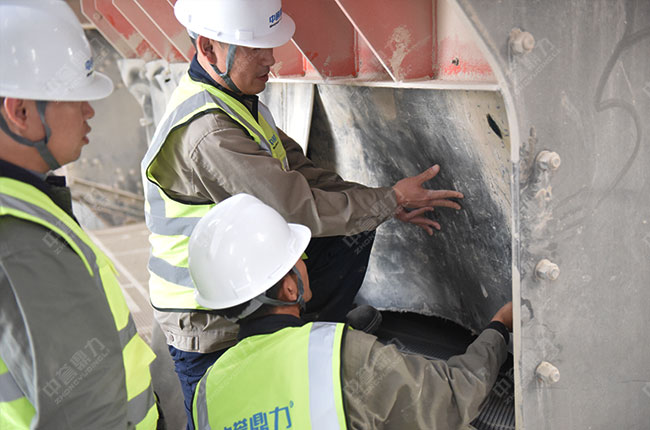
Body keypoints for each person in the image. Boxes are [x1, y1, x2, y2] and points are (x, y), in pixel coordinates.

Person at [141, 0, 464, 424]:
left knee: (356, 225)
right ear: (208, 47)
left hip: (239, 283)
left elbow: (305, 175)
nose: (271, 59)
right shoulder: (209, 132)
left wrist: (387, 201)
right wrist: (389, 201)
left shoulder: (238, 103)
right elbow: (295, 207)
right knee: (221, 411)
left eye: (269, 46)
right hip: (206, 315)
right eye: (254, 49)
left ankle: (314, 342)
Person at [186, 194, 512, 430]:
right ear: (289, 288)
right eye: (299, 257)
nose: (305, 262)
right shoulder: (339, 355)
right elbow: (452, 397)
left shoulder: (206, 393)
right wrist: (498, 327)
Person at [0, 1, 160, 428]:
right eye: (75, 99)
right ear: (20, 112)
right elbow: (85, 414)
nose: (89, 111)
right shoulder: (21, 239)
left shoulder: (19, 205)